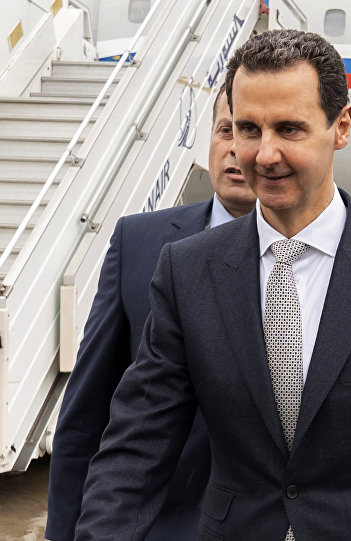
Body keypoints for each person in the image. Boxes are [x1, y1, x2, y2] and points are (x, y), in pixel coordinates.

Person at [77, 30, 351, 540]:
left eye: (288, 129)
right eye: (248, 129)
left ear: (341, 126)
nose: (264, 154)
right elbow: (136, 447)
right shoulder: (188, 270)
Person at [45, 88, 255, 541]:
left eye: (252, 133)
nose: (237, 150)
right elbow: (85, 414)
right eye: (226, 131)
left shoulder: (322, 258)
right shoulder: (138, 242)